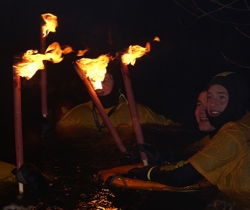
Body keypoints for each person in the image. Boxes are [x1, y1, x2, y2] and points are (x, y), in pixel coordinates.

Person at [128, 71, 250, 197]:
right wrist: (161, 157)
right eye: (210, 97)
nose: (212, 104)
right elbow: (193, 152)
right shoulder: (243, 122)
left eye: (221, 97)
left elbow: (179, 177)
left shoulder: (233, 133)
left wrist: (144, 172)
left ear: (236, 99)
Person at [56, 61, 178, 134]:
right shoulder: (78, 113)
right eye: (94, 80)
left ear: (116, 85)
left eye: (106, 80)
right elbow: (58, 134)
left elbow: (169, 127)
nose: (99, 85)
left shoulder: (136, 111)